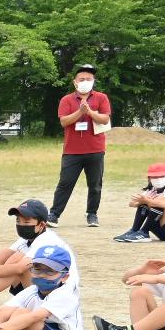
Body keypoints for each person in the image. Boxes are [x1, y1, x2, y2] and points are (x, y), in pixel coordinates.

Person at [50, 63, 110, 227]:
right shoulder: (67, 100)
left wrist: (90, 112)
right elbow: (64, 121)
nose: (85, 81)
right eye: (82, 79)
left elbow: (105, 119)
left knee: (95, 185)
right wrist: (80, 112)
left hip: (95, 149)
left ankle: (92, 214)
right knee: (65, 183)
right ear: (75, 82)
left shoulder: (101, 98)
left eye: (89, 79)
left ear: (93, 81)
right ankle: (54, 214)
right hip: (72, 150)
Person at [113, 162, 165, 243]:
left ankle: (144, 232)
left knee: (157, 203)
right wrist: (142, 202)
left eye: (161, 176)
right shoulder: (153, 189)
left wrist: (147, 201)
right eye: (154, 177)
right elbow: (131, 203)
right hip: (163, 232)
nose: (157, 179)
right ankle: (134, 230)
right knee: (148, 202)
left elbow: (164, 204)